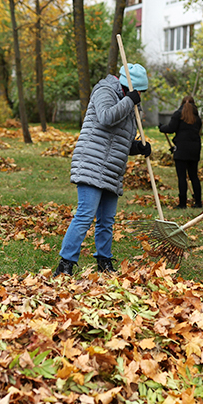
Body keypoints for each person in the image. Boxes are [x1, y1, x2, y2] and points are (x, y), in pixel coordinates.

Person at [55, 63, 152, 275]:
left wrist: (138, 147)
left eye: (142, 93)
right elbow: (106, 117)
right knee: (85, 214)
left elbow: (121, 140)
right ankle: (65, 265)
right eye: (139, 91)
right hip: (92, 161)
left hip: (112, 168)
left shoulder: (132, 104)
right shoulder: (105, 91)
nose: (140, 96)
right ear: (128, 87)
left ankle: (104, 263)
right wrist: (129, 101)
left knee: (107, 220)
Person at [159, 95, 202, 209]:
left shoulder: (178, 115)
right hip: (194, 149)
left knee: (182, 177)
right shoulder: (197, 117)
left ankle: (182, 203)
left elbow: (171, 128)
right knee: (194, 176)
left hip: (182, 149)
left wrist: (162, 127)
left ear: (182, 103)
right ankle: (198, 202)